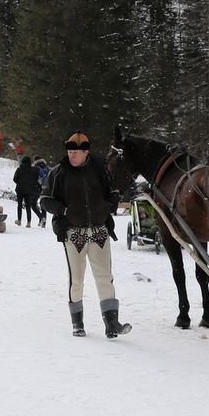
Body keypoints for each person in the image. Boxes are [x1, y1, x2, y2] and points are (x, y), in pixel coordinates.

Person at [40, 132, 131, 339]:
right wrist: (63, 211)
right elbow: (44, 200)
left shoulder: (99, 170)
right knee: (77, 280)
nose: (72, 156)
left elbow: (113, 192)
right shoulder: (58, 173)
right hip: (74, 233)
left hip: (99, 231)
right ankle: (77, 323)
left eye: (76, 153)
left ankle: (111, 323)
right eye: (70, 152)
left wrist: (108, 206)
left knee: (105, 277)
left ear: (86, 152)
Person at [13, 156, 44, 227]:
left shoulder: (19, 169)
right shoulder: (33, 170)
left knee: (19, 205)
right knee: (28, 206)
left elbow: (15, 179)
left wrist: (20, 182)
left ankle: (19, 220)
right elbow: (36, 179)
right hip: (29, 190)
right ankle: (29, 222)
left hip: (20, 189)